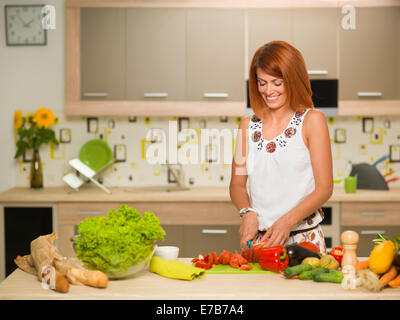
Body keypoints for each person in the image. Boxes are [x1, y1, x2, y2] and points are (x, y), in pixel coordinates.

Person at [230, 40, 333, 255]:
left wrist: (286, 222)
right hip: (260, 242)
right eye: (262, 82)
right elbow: (237, 184)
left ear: (293, 80)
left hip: (304, 241)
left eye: (277, 82)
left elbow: (324, 187)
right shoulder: (246, 126)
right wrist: (247, 212)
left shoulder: (312, 120)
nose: (268, 91)